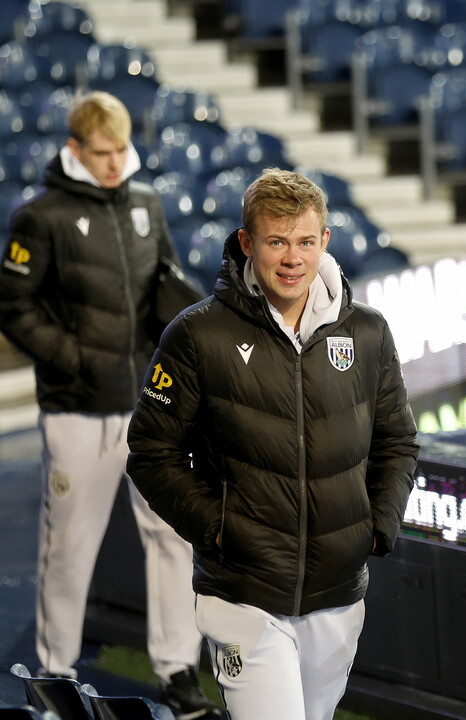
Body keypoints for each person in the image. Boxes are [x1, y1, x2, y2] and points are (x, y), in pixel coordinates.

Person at [125, 168, 420, 720]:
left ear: (325, 241)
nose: (293, 258)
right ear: (246, 242)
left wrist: (377, 524)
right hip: (242, 592)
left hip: (338, 591)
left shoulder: (368, 333)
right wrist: (218, 528)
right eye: (276, 241)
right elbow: (150, 450)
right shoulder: (196, 335)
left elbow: (398, 440)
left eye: (306, 241)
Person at [0, 91, 220, 718]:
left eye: (122, 150)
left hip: (149, 407)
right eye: (102, 152)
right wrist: (74, 359)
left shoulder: (147, 206)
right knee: (69, 546)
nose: (114, 163)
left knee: (174, 537)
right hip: (78, 409)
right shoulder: (39, 217)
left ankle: (178, 673)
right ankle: (55, 676)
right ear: (74, 149)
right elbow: (13, 306)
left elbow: (166, 286)